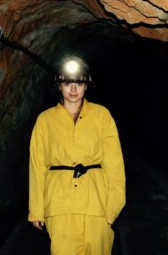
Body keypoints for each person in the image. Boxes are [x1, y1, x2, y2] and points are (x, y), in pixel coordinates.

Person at [28, 56, 126, 255]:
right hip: (60, 205)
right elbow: (37, 166)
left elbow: (115, 164)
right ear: (59, 85)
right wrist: (36, 209)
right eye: (67, 82)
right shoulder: (45, 120)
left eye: (79, 82)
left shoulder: (102, 116)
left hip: (97, 204)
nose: (73, 89)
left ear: (87, 85)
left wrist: (113, 207)